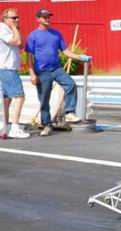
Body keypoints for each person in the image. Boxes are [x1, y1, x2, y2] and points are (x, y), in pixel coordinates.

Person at [25, 8, 92, 136]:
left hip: (57, 69)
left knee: (70, 84)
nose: (48, 19)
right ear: (38, 19)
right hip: (42, 71)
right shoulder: (33, 36)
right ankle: (46, 125)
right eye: (45, 17)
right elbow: (29, 57)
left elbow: (66, 51)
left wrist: (81, 57)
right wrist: (32, 74)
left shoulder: (56, 34)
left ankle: (69, 112)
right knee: (44, 99)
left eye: (49, 17)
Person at [0, 8, 30, 138]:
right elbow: (17, 42)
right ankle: (15, 127)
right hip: (7, 68)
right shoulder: (3, 28)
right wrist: (14, 27)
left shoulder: (9, 29)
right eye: (13, 18)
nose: (16, 20)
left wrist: (15, 28)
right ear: (5, 19)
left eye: (17, 18)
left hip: (7, 67)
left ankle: (5, 126)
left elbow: (21, 44)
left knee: (7, 99)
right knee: (19, 96)